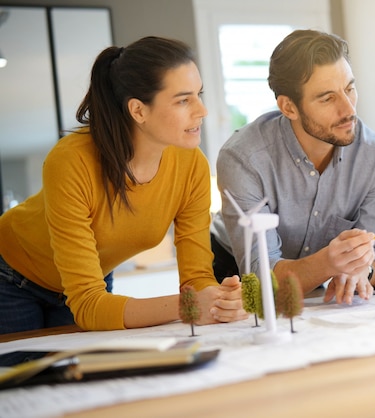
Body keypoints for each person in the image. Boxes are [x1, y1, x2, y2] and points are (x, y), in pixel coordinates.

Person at [0, 36, 248, 335]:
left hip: (90, 284)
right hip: (12, 278)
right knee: (26, 379)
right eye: (183, 100)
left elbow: (197, 277)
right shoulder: (71, 160)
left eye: (199, 94)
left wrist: (218, 300)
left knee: (88, 374)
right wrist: (190, 305)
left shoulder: (192, 164)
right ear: (138, 110)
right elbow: (89, 306)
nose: (202, 110)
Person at [210, 29, 375, 305]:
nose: (349, 109)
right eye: (327, 98)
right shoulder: (243, 159)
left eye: (350, 88)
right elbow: (262, 278)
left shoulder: (373, 155)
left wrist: (361, 270)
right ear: (289, 107)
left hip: (321, 280)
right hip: (235, 273)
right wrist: (329, 263)